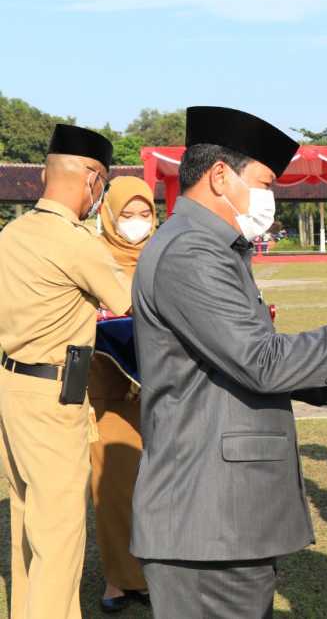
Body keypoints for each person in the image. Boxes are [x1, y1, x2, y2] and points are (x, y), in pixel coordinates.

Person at [130, 106, 327, 618]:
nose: (269, 198)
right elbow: (259, 361)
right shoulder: (193, 252)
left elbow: (238, 358)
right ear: (220, 176)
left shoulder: (214, 247)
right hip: (208, 517)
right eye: (265, 182)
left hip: (221, 516)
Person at [0, 124, 132, 619]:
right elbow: (130, 309)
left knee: (27, 526)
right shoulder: (75, 242)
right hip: (55, 397)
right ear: (93, 179)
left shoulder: (12, 233)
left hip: (13, 389)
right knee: (58, 538)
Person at [88, 176, 157, 613]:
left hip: (163, 395)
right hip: (107, 390)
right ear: (109, 216)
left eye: (145, 214)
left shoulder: (166, 257)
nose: (136, 224)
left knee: (158, 489)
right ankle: (117, 578)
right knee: (112, 487)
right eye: (126, 215)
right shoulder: (91, 257)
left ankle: (153, 574)